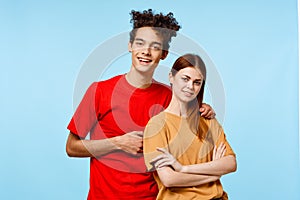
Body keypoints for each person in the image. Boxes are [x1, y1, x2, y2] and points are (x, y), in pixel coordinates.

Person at [66, 10, 215, 200]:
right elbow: (71, 147)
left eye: (155, 46)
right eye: (140, 43)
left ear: (164, 54)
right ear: (130, 46)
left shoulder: (171, 97)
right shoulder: (99, 91)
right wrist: (118, 143)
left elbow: (192, 142)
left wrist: (204, 111)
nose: (146, 51)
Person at [143, 54, 237, 200]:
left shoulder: (208, 121)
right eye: (185, 79)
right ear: (171, 77)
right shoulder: (156, 126)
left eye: (197, 82)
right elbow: (169, 179)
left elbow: (230, 163)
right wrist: (214, 173)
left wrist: (183, 169)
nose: (190, 87)